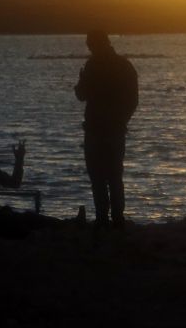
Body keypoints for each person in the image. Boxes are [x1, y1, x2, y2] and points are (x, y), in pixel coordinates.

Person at [75, 30, 138, 230]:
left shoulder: (93, 65)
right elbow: (133, 100)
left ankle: (103, 219)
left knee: (98, 177)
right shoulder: (124, 65)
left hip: (96, 129)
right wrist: (122, 120)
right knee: (114, 177)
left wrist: (81, 80)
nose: (89, 48)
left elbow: (81, 95)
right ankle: (117, 219)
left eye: (90, 44)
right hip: (113, 129)